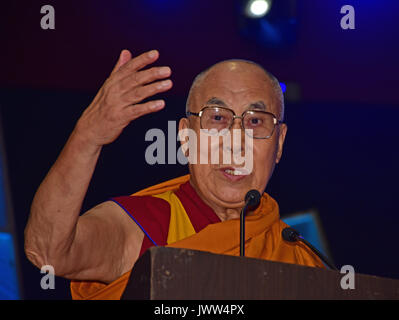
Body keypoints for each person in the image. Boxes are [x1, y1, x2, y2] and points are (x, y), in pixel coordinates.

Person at [24, 49, 324, 300]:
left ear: (279, 143)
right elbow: (47, 252)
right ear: (184, 137)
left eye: (256, 121)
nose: (236, 141)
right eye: (217, 118)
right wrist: (87, 137)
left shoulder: (297, 254)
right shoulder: (149, 223)